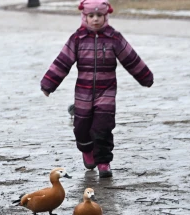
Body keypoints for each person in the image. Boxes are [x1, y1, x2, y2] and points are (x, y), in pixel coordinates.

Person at [41, 0, 153, 178]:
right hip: (83, 93)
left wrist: (145, 77)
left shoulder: (113, 38)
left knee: (103, 127)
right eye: (91, 16)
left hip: (106, 91)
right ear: (84, 17)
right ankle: (87, 151)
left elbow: (131, 58)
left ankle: (104, 163)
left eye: (99, 16)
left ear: (106, 16)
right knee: (81, 128)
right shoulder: (77, 39)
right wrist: (48, 84)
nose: (95, 20)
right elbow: (62, 62)